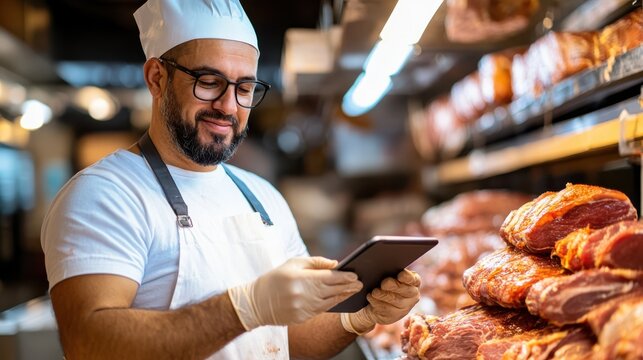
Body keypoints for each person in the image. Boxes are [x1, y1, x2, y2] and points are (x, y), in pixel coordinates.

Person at [40, 0, 422, 359]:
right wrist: (245, 308)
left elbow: (291, 339)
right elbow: (88, 343)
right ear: (157, 78)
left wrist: (356, 317)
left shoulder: (261, 196)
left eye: (244, 88)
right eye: (209, 81)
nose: (227, 106)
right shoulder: (105, 194)